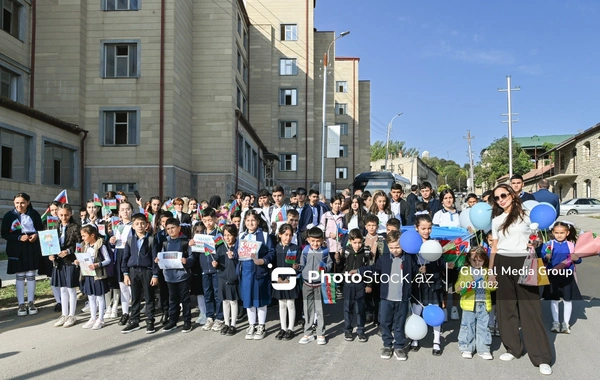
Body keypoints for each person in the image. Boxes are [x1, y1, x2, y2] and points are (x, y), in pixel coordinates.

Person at [489, 184, 553, 375]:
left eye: (503, 195)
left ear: (513, 194)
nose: (501, 199)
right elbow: (494, 247)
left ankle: (541, 357)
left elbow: (540, 238)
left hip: (525, 261)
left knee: (531, 310)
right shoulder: (497, 219)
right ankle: (513, 348)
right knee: (506, 309)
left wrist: (536, 242)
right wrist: (491, 271)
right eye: (497, 198)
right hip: (502, 262)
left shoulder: (528, 214)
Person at [356, 230, 415, 360]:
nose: (395, 250)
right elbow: (373, 269)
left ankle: (399, 346)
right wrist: (359, 271)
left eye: (397, 247)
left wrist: (421, 270)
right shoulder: (383, 260)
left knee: (399, 324)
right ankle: (387, 345)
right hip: (386, 299)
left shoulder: (409, 259)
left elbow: (416, 272)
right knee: (385, 322)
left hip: (402, 299)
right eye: (392, 247)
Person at [409, 214, 448, 355]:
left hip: (433, 282)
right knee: (416, 311)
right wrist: (417, 269)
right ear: (416, 228)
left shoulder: (435, 244)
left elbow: (440, 260)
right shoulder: (412, 245)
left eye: (429, 228)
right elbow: (409, 264)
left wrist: (446, 265)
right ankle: (415, 338)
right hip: (418, 284)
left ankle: (436, 341)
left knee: (435, 311)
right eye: (423, 228)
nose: (426, 231)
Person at [1, 193, 44, 316]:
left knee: (31, 274)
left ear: (28, 202)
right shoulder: (9, 216)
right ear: (14, 203)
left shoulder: (34, 214)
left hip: (32, 247)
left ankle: (31, 302)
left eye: (22, 203)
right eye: (17, 203)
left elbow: (40, 229)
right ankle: (21, 304)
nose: (20, 205)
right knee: (20, 275)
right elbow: (4, 233)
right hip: (17, 249)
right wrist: (19, 237)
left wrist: (36, 235)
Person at [237, 210, 275, 340]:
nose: (250, 223)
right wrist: (233, 254)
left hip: (260, 271)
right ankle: (252, 324)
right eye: (247, 221)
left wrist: (263, 260)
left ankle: (261, 325)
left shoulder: (264, 235)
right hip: (246, 272)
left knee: (260, 299)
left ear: (258, 221)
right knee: (248, 299)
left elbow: (271, 252)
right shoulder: (241, 236)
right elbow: (238, 252)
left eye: (253, 220)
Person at [455, 246, 496, 360]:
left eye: (480, 260)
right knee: (468, 326)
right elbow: (457, 288)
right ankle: (466, 347)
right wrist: (463, 286)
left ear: (485, 260)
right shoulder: (465, 271)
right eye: (474, 260)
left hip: (484, 303)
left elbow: (492, 289)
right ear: (469, 259)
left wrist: (492, 284)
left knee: (484, 326)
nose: (477, 263)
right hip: (469, 304)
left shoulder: (487, 271)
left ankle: (483, 349)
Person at [541, 221, 582, 334]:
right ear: (552, 232)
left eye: (562, 233)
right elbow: (543, 259)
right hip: (553, 276)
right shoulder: (548, 245)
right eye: (557, 232)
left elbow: (579, 260)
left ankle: (565, 323)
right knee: (554, 299)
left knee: (567, 300)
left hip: (567, 276)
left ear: (567, 233)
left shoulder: (571, 245)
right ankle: (555, 322)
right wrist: (546, 257)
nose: (559, 235)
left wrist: (576, 258)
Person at [121, 213, 158, 334]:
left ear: (147, 225)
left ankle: (150, 321)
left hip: (147, 271)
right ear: (133, 226)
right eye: (137, 224)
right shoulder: (130, 240)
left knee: (149, 296)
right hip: (133, 271)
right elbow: (125, 258)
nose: (140, 226)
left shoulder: (151, 239)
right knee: (135, 297)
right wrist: (125, 273)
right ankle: (134, 321)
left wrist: (155, 274)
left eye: (142, 223)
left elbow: (155, 259)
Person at [156, 218, 195, 332]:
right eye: (168, 228)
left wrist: (186, 261)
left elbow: (192, 257)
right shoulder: (165, 242)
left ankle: (187, 321)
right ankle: (173, 321)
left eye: (173, 228)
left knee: (185, 299)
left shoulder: (185, 242)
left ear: (179, 228)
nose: (171, 230)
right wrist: (158, 259)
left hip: (182, 276)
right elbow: (162, 256)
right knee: (172, 300)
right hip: (169, 276)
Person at [335, 228, 370, 343]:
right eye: (355, 242)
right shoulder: (345, 251)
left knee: (360, 308)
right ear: (350, 241)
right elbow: (340, 268)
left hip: (360, 283)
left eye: (360, 242)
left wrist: (369, 283)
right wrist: (338, 260)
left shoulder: (366, 252)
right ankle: (348, 329)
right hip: (348, 284)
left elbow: (369, 269)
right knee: (348, 307)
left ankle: (361, 330)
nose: (357, 245)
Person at [298, 226, 332, 345]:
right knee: (307, 309)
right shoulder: (305, 250)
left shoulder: (325, 252)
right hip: (307, 283)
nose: (315, 243)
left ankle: (320, 333)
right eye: (313, 241)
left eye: (318, 241)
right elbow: (302, 264)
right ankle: (308, 333)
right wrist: (298, 268)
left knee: (319, 309)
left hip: (319, 284)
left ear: (322, 240)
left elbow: (330, 264)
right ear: (308, 240)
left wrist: (325, 267)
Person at [50, 204, 81, 328]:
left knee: (71, 288)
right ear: (57, 214)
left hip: (70, 260)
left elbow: (80, 243)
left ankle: (72, 315)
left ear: (71, 214)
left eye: (66, 215)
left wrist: (68, 251)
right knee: (62, 288)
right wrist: (51, 254)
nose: (64, 217)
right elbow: (50, 244)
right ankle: (64, 313)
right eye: (61, 215)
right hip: (59, 261)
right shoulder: (54, 227)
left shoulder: (76, 227)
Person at [432, 189, 461, 322]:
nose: (449, 200)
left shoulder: (460, 214)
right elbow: (435, 234)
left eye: (450, 197)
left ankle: (454, 308)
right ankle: (444, 307)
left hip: (458, 253)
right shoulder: (438, 215)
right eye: (446, 198)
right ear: (442, 200)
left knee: (456, 280)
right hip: (443, 252)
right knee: (444, 282)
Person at [76, 225, 111, 330]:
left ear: (92, 235)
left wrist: (97, 265)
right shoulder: (84, 246)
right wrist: (78, 261)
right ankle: (93, 317)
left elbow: (108, 260)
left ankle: (100, 319)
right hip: (88, 274)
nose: (83, 238)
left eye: (84, 236)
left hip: (98, 275)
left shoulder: (100, 245)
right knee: (91, 296)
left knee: (100, 297)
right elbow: (82, 258)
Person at [271, 223, 300, 341]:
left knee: (290, 304)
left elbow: (297, 265)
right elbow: (272, 264)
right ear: (280, 235)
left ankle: (291, 328)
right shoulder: (276, 248)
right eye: (285, 234)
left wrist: (290, 275)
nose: (288, 237)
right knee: (282, 304)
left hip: (290, 280)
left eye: (290, 235)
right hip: (278, 280)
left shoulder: (295, 248)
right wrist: (276, 278)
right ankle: (283, 328)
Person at [197, 207, 224, 332]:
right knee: (207, 294)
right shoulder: (200, 236)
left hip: (216, 269)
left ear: (215, 219)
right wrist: (192, 244)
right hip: (204, 269)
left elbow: (222, 252)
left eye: (211, 220)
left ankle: (219, 317)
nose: (208, 223)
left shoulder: (219, 235)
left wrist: (217, 261)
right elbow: (196, 253)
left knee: (217, 294)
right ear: (202, 220)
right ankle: (209, 317)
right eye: (206, 220)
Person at [214, 224, 240, 336]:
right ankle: (226, 323)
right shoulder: (220, 247)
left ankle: (233, 324)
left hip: (233, 278)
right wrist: (215, 263)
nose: (227, 237)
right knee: (224, 301)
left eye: (229, 235)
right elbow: (216, 259)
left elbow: (240, 261)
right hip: (222, 277)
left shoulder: (237, 247)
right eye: (225, 235)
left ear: (234, 235)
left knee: (233, 301)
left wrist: (233, 257)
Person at [188, 223, 208, 326]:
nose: (200, 233)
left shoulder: (208, 241)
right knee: (199, 293)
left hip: (206, 269)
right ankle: (202, 312)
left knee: (207, 292)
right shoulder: (191, 243)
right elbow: (190, 257)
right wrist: (190, 246)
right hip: (196, 270)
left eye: (202, 231)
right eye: (197, 231)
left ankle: (208, 313)